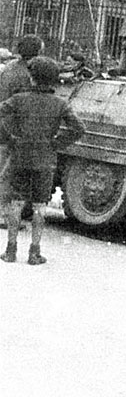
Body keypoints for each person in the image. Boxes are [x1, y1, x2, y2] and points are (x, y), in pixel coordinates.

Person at [0, 56, 85, 264]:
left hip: (20, 155)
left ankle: (10, 250)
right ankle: (34, 252)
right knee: (39, 206)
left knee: (16, 202)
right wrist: (56, 144)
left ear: (31, 78)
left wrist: (8, 138)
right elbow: (79, 129)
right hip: (45, 159)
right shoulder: (60, 104)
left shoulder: (19, 99)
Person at [0, 35, 43, 231]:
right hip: (15, 128)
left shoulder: (10, 69)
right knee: (8, 174)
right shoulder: (28, 74)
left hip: (5, 123)